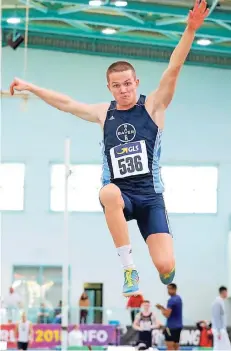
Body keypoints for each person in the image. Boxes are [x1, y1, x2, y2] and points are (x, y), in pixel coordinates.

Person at [9, 0, 209, 297]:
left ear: (136, 82)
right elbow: (67, 104)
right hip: (121, 194)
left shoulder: (153, 106)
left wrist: (190, 31)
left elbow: (174, 68)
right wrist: (32, 87)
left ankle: (163, 267)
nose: (123, 90)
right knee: (107, 191)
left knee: (166, 268)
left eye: (128, 83)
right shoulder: (104, 113)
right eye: (117, 86)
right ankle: (128, 268)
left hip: (151, 196)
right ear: (109, 88)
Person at [156, 283, 183, 350]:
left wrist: (161, 309)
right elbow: (172, 312)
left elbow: (167, 315)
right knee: (176, 347)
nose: (168, 291)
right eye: (167, 289)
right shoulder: (179, 298)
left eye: (170, 289)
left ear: (175, 289)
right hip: (178, 326)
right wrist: (162, 307)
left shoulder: (171, 300)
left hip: (171, 327)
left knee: (170, 348)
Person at [211, 286, 231, 350]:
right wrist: (219, 331)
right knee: (219, 346)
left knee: (224, 347)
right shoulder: (217, 302)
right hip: (218, 329)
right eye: (226, 292)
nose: (227, 294)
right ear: (223, 292)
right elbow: (216, 317)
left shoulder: (221, 302)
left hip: (221, 329)